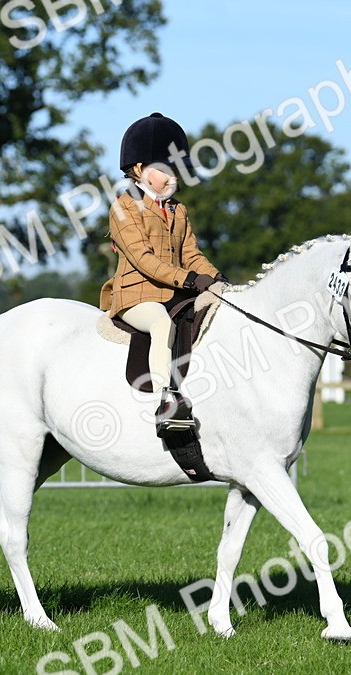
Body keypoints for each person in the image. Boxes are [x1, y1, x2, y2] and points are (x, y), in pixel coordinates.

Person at [99, 113, 227, 435]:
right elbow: (143, 259)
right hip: (136, 295)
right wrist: (188, 280)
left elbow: (191, 254)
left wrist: (217, 278)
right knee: (160, 323)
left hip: (175, 291)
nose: (174, 179)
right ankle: (166, 400)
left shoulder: (178, 210)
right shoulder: (122, 209)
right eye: (166, 171)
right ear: (139, 170)